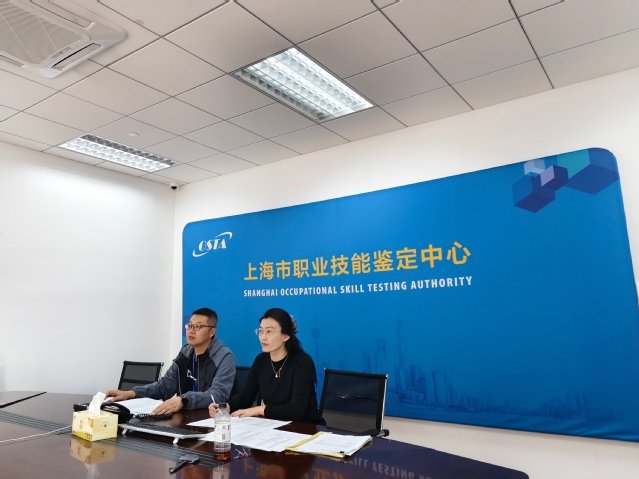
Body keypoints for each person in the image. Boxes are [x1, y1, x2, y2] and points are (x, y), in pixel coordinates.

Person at [106, 307, 236, 414]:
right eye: (189, 326)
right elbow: (164, 387)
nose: (191, 331)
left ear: (212, 332)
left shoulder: (224, 357)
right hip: (186, 416)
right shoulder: (185, 352)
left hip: (211, 418)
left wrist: (184, 400)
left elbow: (217, 395)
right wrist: (131, 393)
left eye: (197, 327)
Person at [209, 308, 324, 424]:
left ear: (286, 335)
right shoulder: (261, 360)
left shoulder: (302, 362)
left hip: (306, 428)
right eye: (260, 331)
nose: (263, 337)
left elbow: (296, 410)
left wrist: (259, 410)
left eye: (269, 331)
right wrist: (225, 407)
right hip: (274, 426)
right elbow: (246, 396)